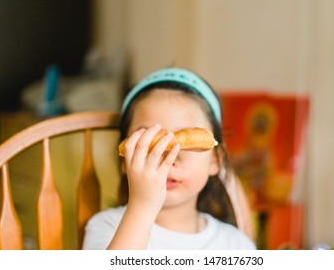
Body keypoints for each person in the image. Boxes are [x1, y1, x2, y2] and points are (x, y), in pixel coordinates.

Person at [82, 67, 256, 250]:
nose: (168, 157)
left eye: (186, 144)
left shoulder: (236, 245)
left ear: (215, 160)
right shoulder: (106, 226)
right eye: (149, 143)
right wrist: (142, 207)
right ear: (125, 159)